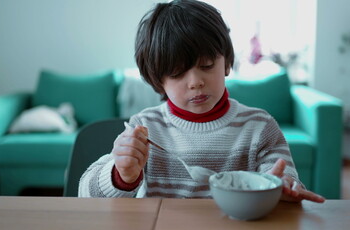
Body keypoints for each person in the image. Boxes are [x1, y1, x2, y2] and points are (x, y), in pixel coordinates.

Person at [78, 0, 325, 203]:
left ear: (227, 62)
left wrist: (281, 187)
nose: (195, 81)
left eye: (207, 66)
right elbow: (85, 194)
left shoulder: (259, 127)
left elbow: (285, 179)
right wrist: (122, 176)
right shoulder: (145, 128)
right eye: (177, 73)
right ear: (158, 80)